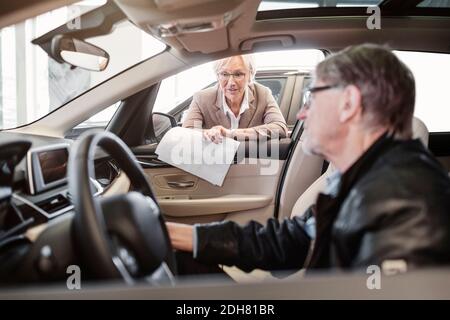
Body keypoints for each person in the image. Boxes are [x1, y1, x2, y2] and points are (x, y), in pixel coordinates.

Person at [168, 44, 450, 274]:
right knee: (177, 257)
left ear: (348, 104)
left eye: (310, 97)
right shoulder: (359, 177)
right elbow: (293, 239)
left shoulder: (407, 202)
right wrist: (180, 235)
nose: (301, 115)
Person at [182, 55, 288, 143]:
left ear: (250, 75)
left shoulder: (263, 94)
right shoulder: (202, 98)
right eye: (224, 74)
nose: (231, 83)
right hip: (215, 162)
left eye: (238, 74)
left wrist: (230, 134)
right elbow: (186, 134)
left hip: (249, 162)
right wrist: (209, 134)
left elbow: (280, 128)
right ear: (217, 76)